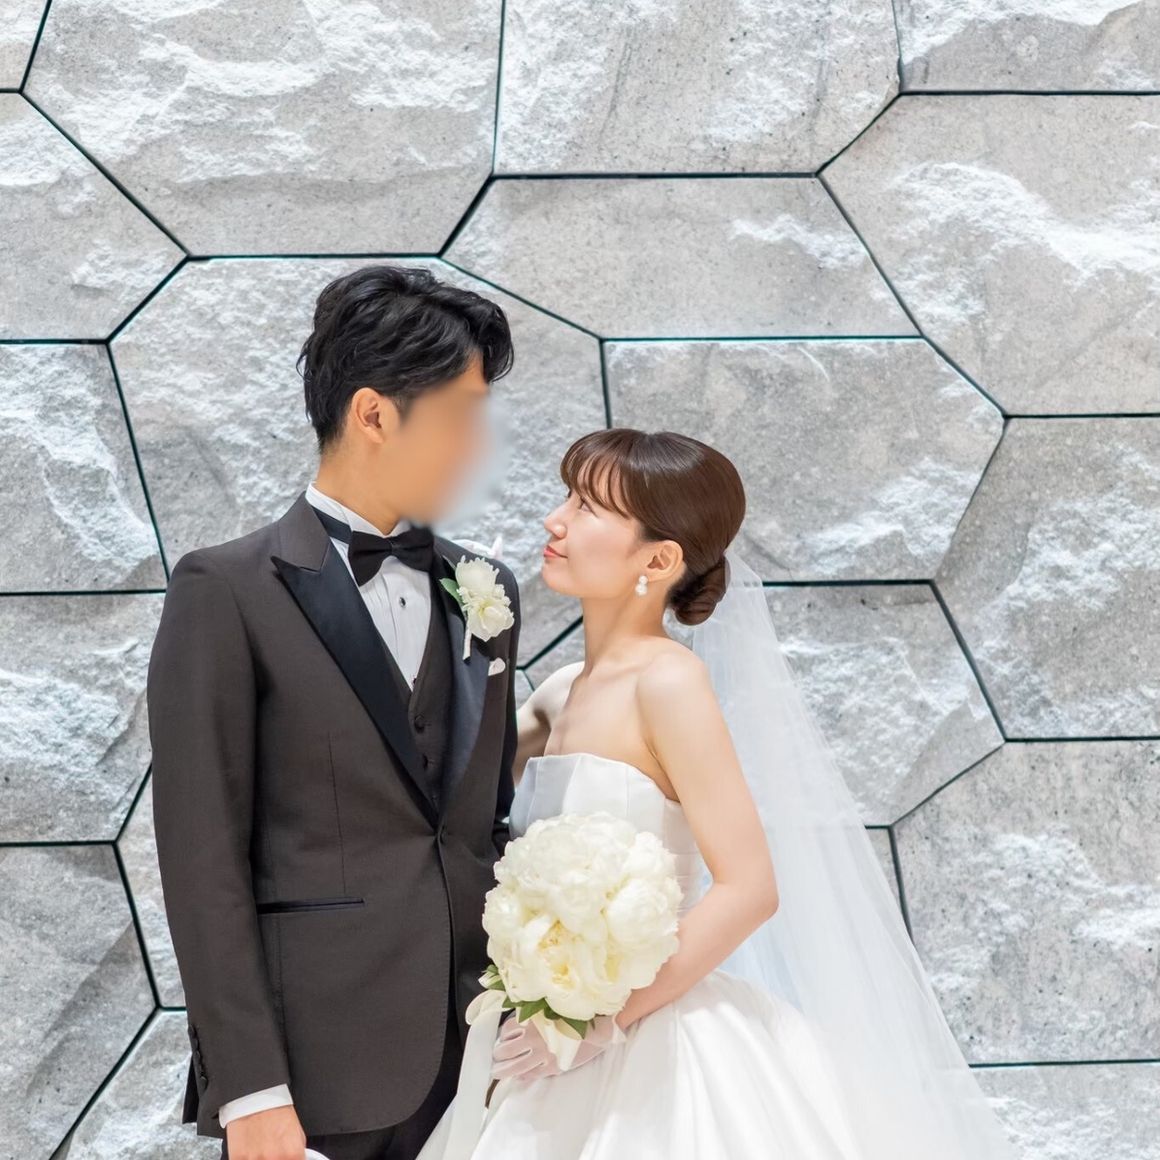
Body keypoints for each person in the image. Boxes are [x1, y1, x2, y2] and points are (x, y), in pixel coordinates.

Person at [417, 427, 1019, 1160]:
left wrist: (597, 1024)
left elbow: (750, 888)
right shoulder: (558, 692)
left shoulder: (670, 683)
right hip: (540, 1037)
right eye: (566, 496)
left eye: (587, 507)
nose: (556, 520)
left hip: (645, 1040)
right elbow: (445, 804)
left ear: (659, 560)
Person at [146, 263, 523, 1160]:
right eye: (462, 417)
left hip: (484, 1068)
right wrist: (249, 1088)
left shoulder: (489, 590)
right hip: (315, 1077)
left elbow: (487, 823)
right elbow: (201, 860)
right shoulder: (225, 590)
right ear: (374, 415)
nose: (478, 447)